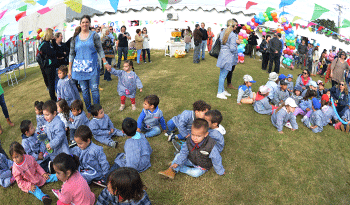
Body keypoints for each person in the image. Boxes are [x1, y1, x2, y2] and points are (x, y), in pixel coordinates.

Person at [69, 15, 111, 116]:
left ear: (89, 23)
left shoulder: (94, 35)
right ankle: (88, 110)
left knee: (95, 89)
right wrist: (69, 69)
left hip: (92, 68)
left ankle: (96, 110)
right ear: (80, 24)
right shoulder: (75, 38)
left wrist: (105, 62)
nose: (85, 24)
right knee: (84, 90)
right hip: (80, 70)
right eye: (83, 22)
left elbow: (100, 49)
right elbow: (71, 54)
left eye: (87, 22)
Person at [158, 118, 225, 179]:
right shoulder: (189, 140)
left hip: (202, 166)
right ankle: (172, 170)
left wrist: (220, 171)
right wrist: (178, 162)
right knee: (178, 155)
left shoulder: (211, 145)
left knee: (195, 173)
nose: (194, 138)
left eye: (198, 136)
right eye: (193, 134)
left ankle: (176, 166)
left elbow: (216, 159)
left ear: (206, 134)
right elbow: (184, 153)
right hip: (191, 160)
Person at [216, 19, 239, 99]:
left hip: (222, 55)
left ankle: (222, 90)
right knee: (223, 75)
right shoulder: (232, 35)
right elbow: (232, 48)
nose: (236, 26)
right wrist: (236, 46)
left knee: (221, 74)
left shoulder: (223, 32)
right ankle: (219, 92)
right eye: (235, 25)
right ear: (232, 26)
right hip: (228, 56)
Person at [38, 28, 58, 101]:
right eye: (52, 34)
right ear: (49, 34)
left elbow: (55, 50)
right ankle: (53, 99)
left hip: (52, 66)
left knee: (53, 83)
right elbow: (53, 53)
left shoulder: (49, 42)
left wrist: (53, 41)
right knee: (51, 84)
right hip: (48, 67)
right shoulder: (44, 44)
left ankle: (55, 97)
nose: (53, 35)